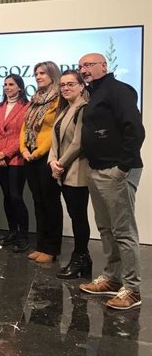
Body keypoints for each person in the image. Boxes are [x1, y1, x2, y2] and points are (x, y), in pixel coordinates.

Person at [78, 52, 145, 310]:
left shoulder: (119, 90)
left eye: (89, 64)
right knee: (106, 229)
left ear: (104, 66)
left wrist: (123, 167)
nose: (84, 69)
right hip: (97, 170)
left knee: (123, 232)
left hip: (115, 170)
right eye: (81, 66)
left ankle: (132, 289)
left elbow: (135, 129)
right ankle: (112, 279)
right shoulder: (94, 93)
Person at [47, 70, 91, 279]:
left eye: (71, 84)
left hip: (76, 172)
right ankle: (84, 260)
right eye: (63, 85)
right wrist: (52, 161)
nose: (65, 88)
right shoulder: (65, 109)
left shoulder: (83, 108)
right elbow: (55, 139)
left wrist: (60, 164)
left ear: (82, 86)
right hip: (62, 170)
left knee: (79, 217)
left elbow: (78, 143)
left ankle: (80, 258)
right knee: (75, 215)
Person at [20, 61, 63, 263]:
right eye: (36, 73)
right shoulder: (35, 99)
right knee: (38, 201)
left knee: (50, 202)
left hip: (47, 157)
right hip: (29, 156)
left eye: (42, 73)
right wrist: (23, 149)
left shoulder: (58, 99)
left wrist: (37, 153)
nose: (38, 76)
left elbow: (53, 130)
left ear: (53, 75)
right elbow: (25, 127)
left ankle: (52, 248)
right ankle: (40, 245)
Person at [0, 74, 31, 252]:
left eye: (11, 84)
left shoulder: (27, 107)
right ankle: (12, 231)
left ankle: (23, 235)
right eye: (5, 84)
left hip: (16, 159)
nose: (7, 87)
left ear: (20, 88)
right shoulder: (0, 107)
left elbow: (24, 134)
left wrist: (5, 153)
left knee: (16, 196)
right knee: (6, 196)